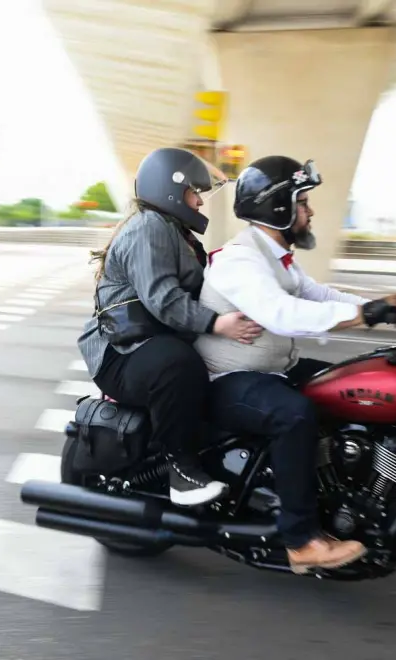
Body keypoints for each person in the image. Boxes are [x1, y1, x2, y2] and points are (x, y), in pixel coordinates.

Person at [194, 155, 396, 574]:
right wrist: (369, 314)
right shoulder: (239, 261)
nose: (310, 211)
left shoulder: (276, 257)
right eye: (303, 202)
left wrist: (388, 306)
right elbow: (282, 312)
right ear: (277, 207)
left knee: (356, 383)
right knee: (293, 415)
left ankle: (341, 492)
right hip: (227, 379)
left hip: (272, 368)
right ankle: (301, 540)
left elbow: (321, 296)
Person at [77, 147, 263, 507]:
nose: (199, 203)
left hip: (149, 342)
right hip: (121, 354)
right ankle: (181, 469)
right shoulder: (149, 227)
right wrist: (217, 324)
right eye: (195, 193)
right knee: (178, 364)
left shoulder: (176, 232)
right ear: (172, 189)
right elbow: (163, 299)